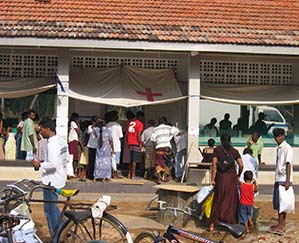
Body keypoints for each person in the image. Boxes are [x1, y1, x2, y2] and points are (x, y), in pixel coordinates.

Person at [31, 118, 68, 243]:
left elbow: (53, 163)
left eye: (42, 129)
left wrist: (39, 165)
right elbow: (62, 159)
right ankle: (66, 227)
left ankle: (56, 237)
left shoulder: (52, 143)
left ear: (47, 129)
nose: (40, 132)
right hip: (60, 178)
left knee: (50, 210)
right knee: (53, 207)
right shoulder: (61, 141)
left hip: (51, 180)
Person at [209, 133, 243, 231]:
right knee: (231, 201)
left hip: (220, 178)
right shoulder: (234, 151)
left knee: (218, 200)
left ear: (221, 140)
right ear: (230, 140)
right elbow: (241, 165)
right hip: (231, 179)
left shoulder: (217, 150)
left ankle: (212, 224)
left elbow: (214, 164)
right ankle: (232, 222)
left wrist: (212, 179)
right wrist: (238, 176)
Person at [269, 128, 294, 235]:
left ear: (283, 136)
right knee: (279, 203)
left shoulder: (287, 148)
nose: (278, 138)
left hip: (284, 179)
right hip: (279, 178)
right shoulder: (279, 148)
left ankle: (281, 225)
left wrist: (287, 180)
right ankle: (280, 223)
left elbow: (288, 164)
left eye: (280, 136)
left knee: (282, 203)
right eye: (276, 137)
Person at [151, 117, 181, 183]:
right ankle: (167, 177)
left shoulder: (155, 129)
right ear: (165, 122)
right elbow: (176, 134)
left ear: (159, 123)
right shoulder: (169, 128)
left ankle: (159, 178)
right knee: (168, 163)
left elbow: (153, 139)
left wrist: (155, 147)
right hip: (167, 148)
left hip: (159, 148)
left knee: (158, 163)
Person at [127, 111, 144, 180]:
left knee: (131, 159)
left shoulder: (130, 123)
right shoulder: (140, 124)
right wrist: (141, 143)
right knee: (135, 160)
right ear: (140, 117)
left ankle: (129, 173)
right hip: (136, 143)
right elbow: (138, 135)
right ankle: (133, 175)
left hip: (130, 142)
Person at [106, 111, 123, 178]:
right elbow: (120, 136)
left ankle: (111, 173)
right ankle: (115, 173)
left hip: (108, 145)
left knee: (110, 160)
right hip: (116, 145)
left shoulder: (107, 125)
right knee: (115, 161)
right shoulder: (118, 125)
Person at [68, 112, 80, 177]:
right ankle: (72, 171)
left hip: (74, 140)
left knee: (75, 157)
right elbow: (78, 131)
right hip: (73, 140)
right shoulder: (73, 123)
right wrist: (78, 124)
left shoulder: (72, 123)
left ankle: (73, 170)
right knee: (73, 157)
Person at [86, 115, 98, 180]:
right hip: (91, 145)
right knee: (91, 161)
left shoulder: (98, 128)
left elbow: (97, 135)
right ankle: (90, 175)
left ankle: (95, 175)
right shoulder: (90, 127)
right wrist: (93, 127)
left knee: (96, 161)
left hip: (96, 146)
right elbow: (89, 133)